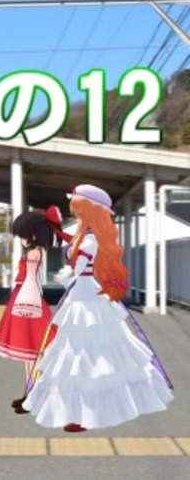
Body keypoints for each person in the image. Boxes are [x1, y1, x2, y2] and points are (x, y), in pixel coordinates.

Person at [22, 184, 173, 432]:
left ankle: (87, 415)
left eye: (78, 209)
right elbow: (76, 267)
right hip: (83, 294)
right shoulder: (87, 237)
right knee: (79, 352)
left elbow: (79, 270)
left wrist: (64, 277)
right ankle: (77, 413)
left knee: (86, 356)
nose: (75, 213)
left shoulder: (89, 240)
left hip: (85, 296)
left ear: (89, 210)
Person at [0, 207, 65, 414]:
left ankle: (37, 396)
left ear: (33, 235)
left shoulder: (34, 253)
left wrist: (28, 305)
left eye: (23, 235)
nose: (21, 240)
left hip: (27, 304)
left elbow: (32, 281)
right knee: (32, 354)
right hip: (29, 300)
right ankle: (31, 395)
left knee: (33, 353)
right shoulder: (37, 252)